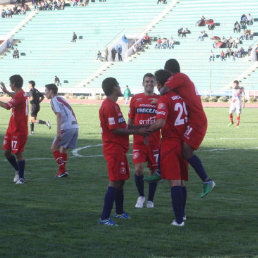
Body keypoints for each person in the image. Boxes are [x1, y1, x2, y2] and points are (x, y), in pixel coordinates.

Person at [145, 59, 215, 198]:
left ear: (170, 72)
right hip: (192, 121)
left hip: (197, 121)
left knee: (185, 149)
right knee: (170, 140)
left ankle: (207, 181)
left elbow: (164, 89)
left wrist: (159, 99)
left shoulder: (178, 77)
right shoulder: (181, 80)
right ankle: (160, 170)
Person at [98, 77, 148, 226]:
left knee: (120, 181)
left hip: (119, 149)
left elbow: (124, 126)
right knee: (114, 181)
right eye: (118, 85)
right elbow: (116, 130)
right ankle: (104, 217)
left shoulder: (114, 105)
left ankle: (119, 212)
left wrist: (139, 129)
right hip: (113, 149)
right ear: (114, 87)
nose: (120, 88)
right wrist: (139, 131)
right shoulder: (108, 106)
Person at [147, 69, 188, 226]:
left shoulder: (164, 98)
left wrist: (146, 130)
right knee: (181, 181)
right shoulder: (179, 97)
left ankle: (178, 220)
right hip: (182, 141)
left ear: (158, 83)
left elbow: (160, 123)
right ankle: (182, 215)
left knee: (174, 182)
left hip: (170, 142)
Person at [128, 73, 160, 209]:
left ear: (155, 84)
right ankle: (141, 196)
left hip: (154, 141)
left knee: (153, 171)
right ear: (143, 83)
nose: (149, 84)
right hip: (139, 141)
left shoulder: (160, 100)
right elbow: (130, 121)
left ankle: (150, 200)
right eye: (147, 81)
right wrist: (134, 131)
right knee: (139, 169)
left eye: (151, 81)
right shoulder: (135, 99)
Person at [45, 84, 79, 178]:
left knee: (53, 148)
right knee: (63, 149)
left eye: (46, 91)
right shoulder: (62, 98)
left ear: (51, 91)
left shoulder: (54, 100)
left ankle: (62, 170)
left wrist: (58, 131)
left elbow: (59, 115)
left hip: (66, 127)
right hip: (75, 126)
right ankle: (62, 171)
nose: (45, 93)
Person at [0, 75, 28, 184]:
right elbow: (15, 96)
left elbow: (7, 106)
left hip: (19, 129)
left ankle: (21, 178)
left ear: (14, 84)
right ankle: (17, 170)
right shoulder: (20, 93)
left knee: (18, 153)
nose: (10, 85)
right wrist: (6, 91)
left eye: (10, 83)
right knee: (6, 152)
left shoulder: (20, 95)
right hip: (12, 127)